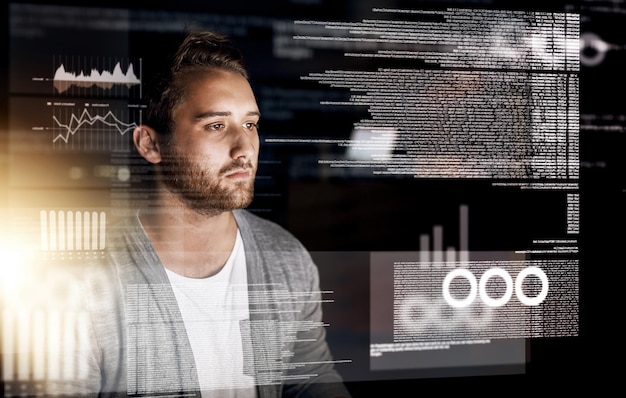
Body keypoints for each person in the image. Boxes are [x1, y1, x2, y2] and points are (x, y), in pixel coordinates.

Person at [48, 30, 351, 398]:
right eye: (216, 126)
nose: (244, 149)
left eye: (250, 124)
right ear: (151, 144)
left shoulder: (286, 257)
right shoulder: (79, 282)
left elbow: (309, 380)